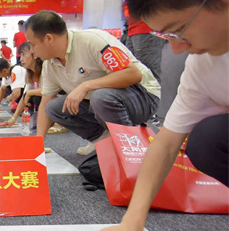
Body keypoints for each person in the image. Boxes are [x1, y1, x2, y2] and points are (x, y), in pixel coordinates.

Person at [92, 0, 229, 231]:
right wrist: (132, 223)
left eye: (179, 29)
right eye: (165, 37)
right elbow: (166, 144)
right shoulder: (204, 65)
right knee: (208, 140)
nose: (177, 48)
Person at [25, 10, 161, 155]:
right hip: (102, 103)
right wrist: (38, 143)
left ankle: (130, 147)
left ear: (48, 38)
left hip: (143, 95)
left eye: (32, 45)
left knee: (101, 97)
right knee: (54, 107)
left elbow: (133, 74)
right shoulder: (50, 65)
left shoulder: (92, 41)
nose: (32, 51)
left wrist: (86, 86)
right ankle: (103, 141)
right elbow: (46, 103)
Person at [0, 42, 43, 127]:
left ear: (35, 54)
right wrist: (13, 118)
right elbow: (24, 97)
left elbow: (50, 91)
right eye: (20, 56)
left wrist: (29, 93)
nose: (21, 59)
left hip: (59, 101)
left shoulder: (45, 69)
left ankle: (56, 123)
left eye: (24, 55)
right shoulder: (30, 74)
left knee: (35, 98)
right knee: (30, 97)